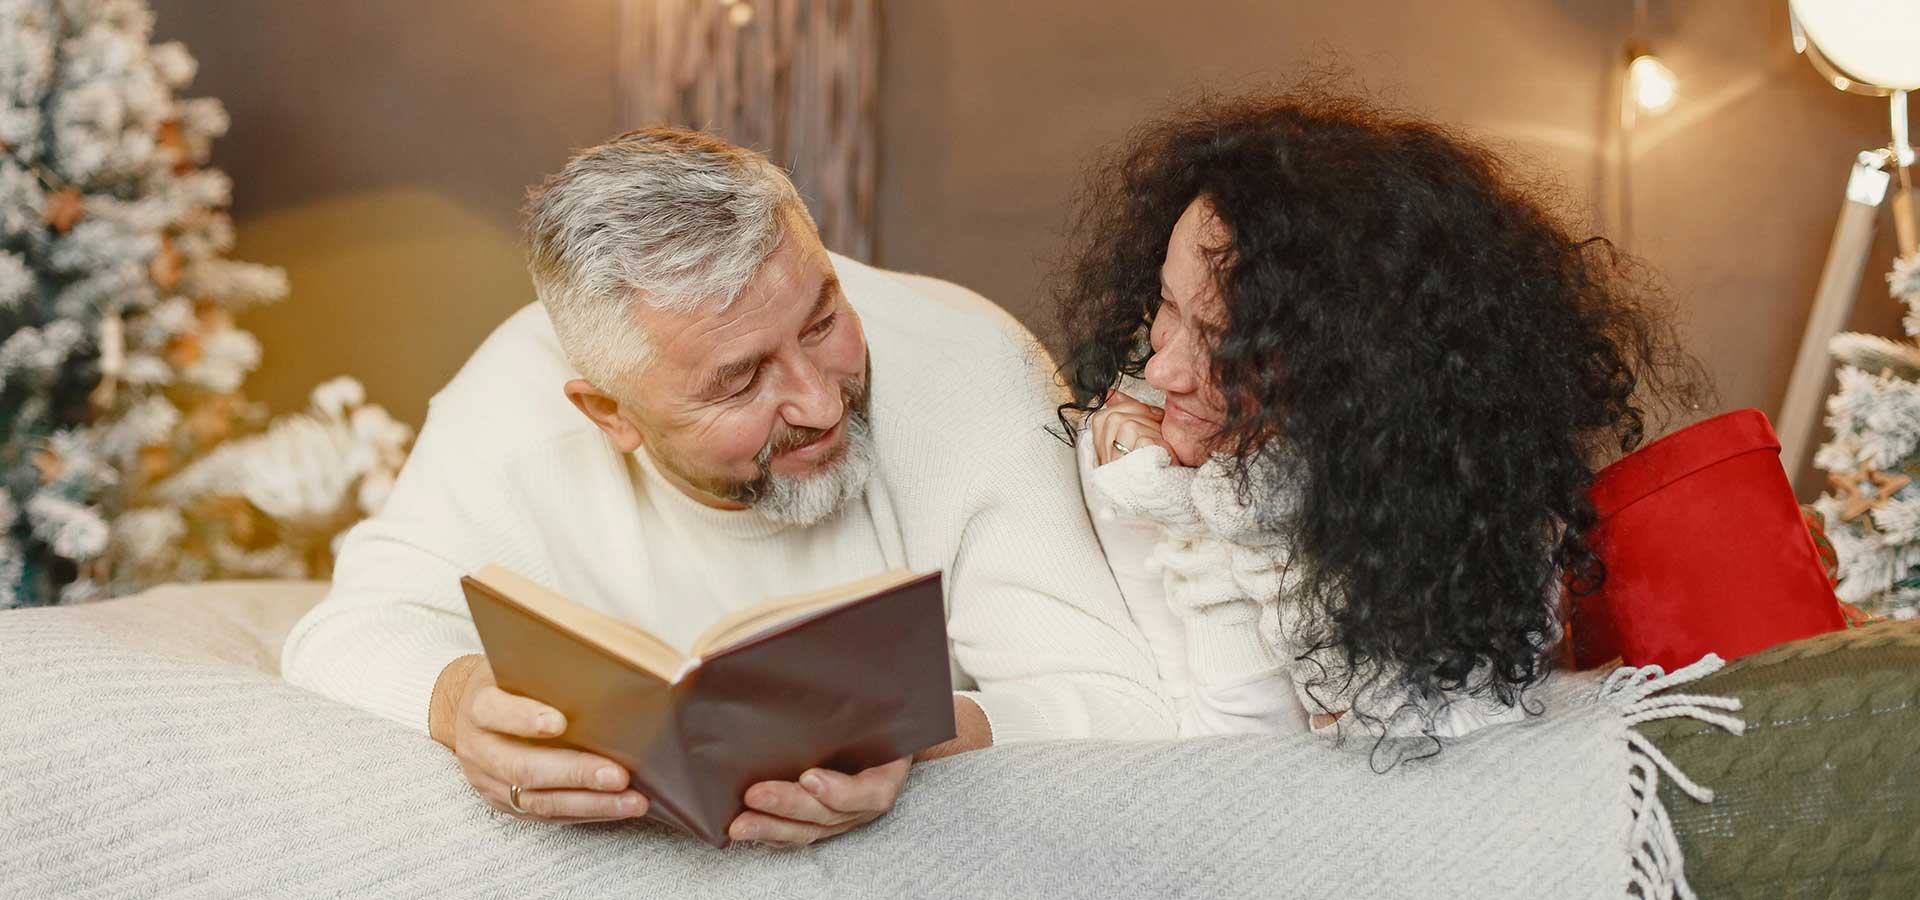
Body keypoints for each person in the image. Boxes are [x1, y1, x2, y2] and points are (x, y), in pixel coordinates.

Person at [282, 128, 1174, 847]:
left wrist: (929, 737)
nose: (822, 403)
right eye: (741, 382)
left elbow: (1127, 705)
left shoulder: (974, 371)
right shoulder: (510, 404)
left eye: (823, 321)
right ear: (610, 413)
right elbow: (347, 627)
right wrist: (455, 701)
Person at [1055, 88, 1704, 741]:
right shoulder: (1130, 453)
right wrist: (1191, 522)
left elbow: (1409, 760)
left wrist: (1249, 523)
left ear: (1358, 378)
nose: (1165, 372)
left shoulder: (1468, 501)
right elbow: (1224, 761)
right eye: (1168, 306)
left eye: (1230, 348)